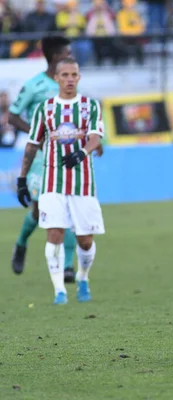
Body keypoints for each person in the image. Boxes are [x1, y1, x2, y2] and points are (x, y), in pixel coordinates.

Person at [9, 35, 102, 282]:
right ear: (54, 57)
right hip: (42, 157)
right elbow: (13, 116)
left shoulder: (70, 85)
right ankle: (20, 244)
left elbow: (83, 121)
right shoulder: (34, 85)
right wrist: (35, 132)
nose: (70, 58)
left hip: (69, 156)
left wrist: (94, 144)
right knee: (40, 209)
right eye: (66, 53)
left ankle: (69, 266)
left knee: (70, 207)